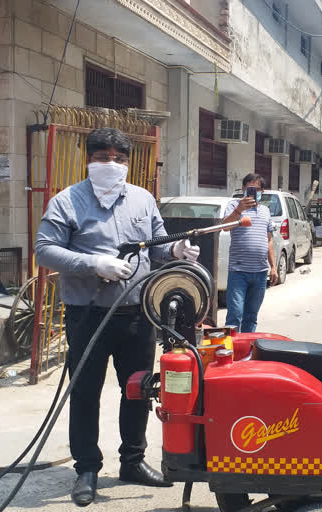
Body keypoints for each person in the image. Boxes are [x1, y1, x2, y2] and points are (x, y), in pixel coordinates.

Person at [35, 127, 201, 507]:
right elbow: (45, 250)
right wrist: (93, 263)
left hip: (137, 314)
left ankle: (133, 460)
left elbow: (156, 248)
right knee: (85, 392)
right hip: (88, 314)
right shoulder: (67, 202)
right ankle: (87, 468)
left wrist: (176, 249)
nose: (111, 164)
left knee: (138, 390)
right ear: (88, 159)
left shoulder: (143, 200)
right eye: (103, 156)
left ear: (128, 162)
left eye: (119, 158)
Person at [221, 173, 278, 332]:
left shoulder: (265, 211)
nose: (254, 192)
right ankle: (230, 351)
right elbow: (225, 226)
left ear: (262, 192)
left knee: (251, 316)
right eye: (250, 189)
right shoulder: (234, 206)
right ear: (243, 189)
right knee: (235, 315)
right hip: (239, 272)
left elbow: (269, 240)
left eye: (257, 189)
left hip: (260, 272)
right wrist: (239, 210)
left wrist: (273, 267)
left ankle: (246, 352)